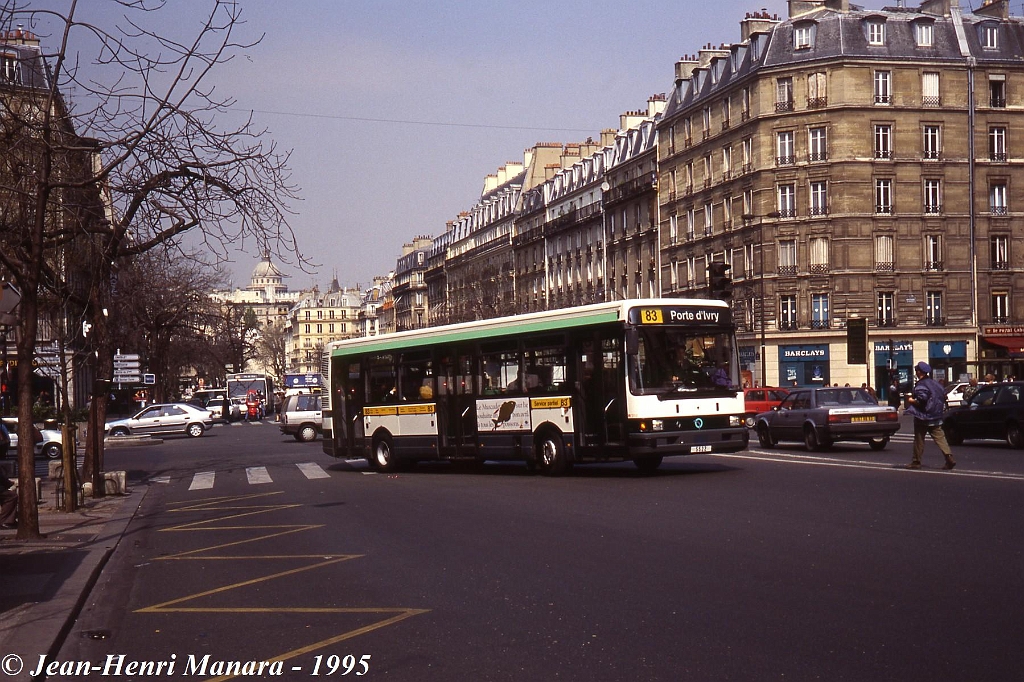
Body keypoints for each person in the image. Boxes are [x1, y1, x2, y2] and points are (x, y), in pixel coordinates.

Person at [904, 361, 956, 470]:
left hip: (923, 416)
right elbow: (943, 396)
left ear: (919, 372)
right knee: (940, 438)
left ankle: (916, 461)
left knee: (919, 439)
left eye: (916, 370)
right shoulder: (936, 384)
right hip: (936, 415)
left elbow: (922, 400)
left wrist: (911, 400)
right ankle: (949, 456)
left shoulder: (921, 385)